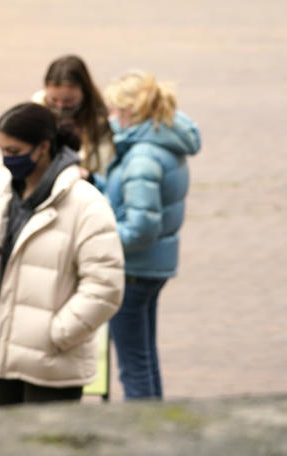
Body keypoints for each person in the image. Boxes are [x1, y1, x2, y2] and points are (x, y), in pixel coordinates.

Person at [0, 102, 124, 406]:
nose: (6, 160)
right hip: (3, 355)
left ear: (43, 148)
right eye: (2, 151)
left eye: (13, 151)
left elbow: (106, 288)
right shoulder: (1, 195)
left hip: (52, 365)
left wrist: (56, 336)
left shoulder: (87, 203)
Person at [100, 72, 201, 400]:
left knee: (133, 366)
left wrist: (98, 239)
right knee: (145, 357)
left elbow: (141, 227)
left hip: (133, 270)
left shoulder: (142, 157)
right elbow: (133, 202)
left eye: (113, 110)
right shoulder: (163, 141)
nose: (110, 118)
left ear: (130, 112)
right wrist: (96, 183)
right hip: (151, 268)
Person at [33, 55, 115, 180]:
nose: (60, 107)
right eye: (54, 100)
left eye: (68, 101)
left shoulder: (103, 119)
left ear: (85, 92)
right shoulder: (35, 112)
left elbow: (105, 167)